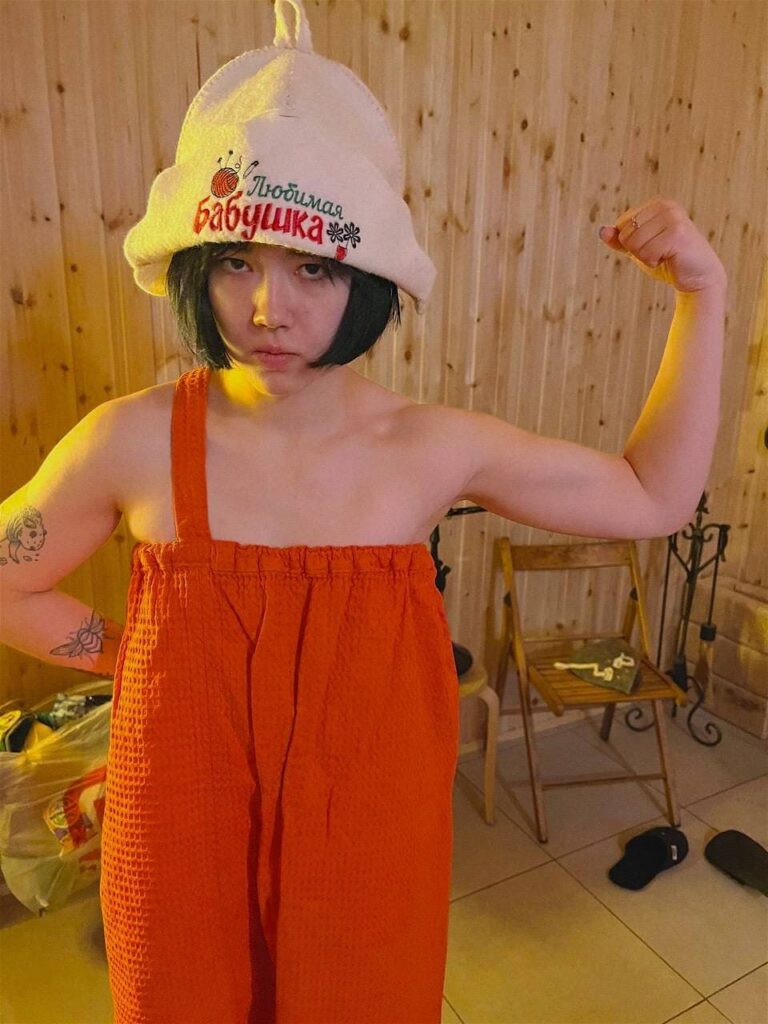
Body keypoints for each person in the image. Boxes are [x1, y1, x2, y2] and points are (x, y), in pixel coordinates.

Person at [0, 1, 726, 1022]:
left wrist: (703, 295)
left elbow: (655, 495)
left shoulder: (429, 448)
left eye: (314, 267)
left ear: (368, 278)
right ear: (198, 268)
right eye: (238, 262)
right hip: (178, 844)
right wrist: (134, 656)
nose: (269, 309)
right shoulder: (131, 440)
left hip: (367, 850)